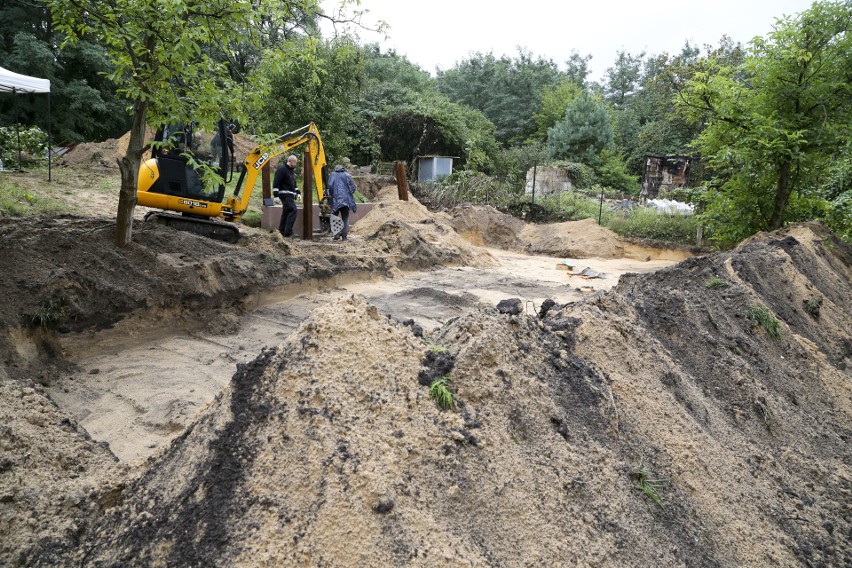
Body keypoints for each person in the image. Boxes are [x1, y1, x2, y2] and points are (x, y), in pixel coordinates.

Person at [327, 164, 358, 241]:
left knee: (335, 216)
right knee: (345, 217)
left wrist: (331, 194)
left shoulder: (333, 175)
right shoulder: (347, 175)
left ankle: (336, 235)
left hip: (336, 200)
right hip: (346, 201)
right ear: (343, 168)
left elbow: (330, 186)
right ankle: (344, 236)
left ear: (336, 169)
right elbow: (353, 188)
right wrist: (348, 194)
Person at [273, 155, 300, 238]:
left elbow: (293, 184)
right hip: (285, 195)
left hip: (290, 195)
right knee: (293, 210)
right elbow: (276, 181)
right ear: (291, 161)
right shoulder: (282, 169)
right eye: (295, 162)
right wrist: (276, 195)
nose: (296, 164)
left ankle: (282, 231)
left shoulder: (291, 171)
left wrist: (298, 193)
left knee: (286, 212)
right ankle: (288, 233)